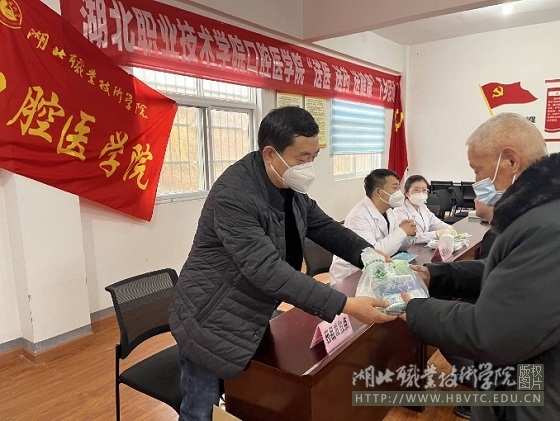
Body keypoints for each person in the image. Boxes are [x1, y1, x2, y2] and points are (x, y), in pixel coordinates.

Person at [169, 106, 398, 421]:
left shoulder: (289, 186)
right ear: (270, 154)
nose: (309, 167)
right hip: (209, 317)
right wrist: (346, 304)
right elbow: (268, 271)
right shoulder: (234, 195)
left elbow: (325, 227)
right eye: (302, 158)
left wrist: (367, 253)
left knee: (248, 396)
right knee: (201, 409)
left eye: (314, 157)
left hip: (250, 309)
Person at [403, 112, 559, 421]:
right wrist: (437, 276)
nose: (476, 182)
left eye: (477, 169)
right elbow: (506, 272)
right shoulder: (541, 214)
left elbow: (490, 333)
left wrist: (417, 308)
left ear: (510, 161)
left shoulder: (549, 228)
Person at [329, 169, 417, 285]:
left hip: (378, 273)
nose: (399, 193)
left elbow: (398, 246)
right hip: (351, 278)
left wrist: (409, 234)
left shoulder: (389, 211)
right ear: (379, 192)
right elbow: (371, 255)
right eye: (395, 188)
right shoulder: (358, 217)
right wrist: (402, 232)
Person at [394, 174, 457, 244]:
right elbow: (408, 239)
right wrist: (435, 234)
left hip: (423, 246)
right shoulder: (399, 210)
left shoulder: (422, 207)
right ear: (406, 193)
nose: (420, 193)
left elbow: (435, 223)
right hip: (410, 248)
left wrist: (448, 228)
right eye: (416, 190)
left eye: (424, 190)